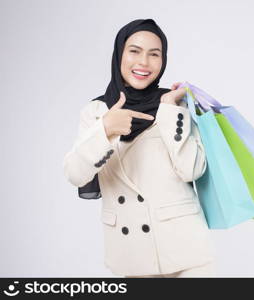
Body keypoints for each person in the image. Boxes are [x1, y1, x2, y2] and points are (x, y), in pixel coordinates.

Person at [63, 19, 217, 278]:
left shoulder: (175, 104)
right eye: (134, 51)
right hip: (131, 255)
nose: (144, 62)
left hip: (188, 252)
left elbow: (191, 170)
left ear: (163, 60)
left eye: (154, 54)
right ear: (119, 54)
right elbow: (76, 175)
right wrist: (106, 130)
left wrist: (168, 111)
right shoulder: (96, 112)